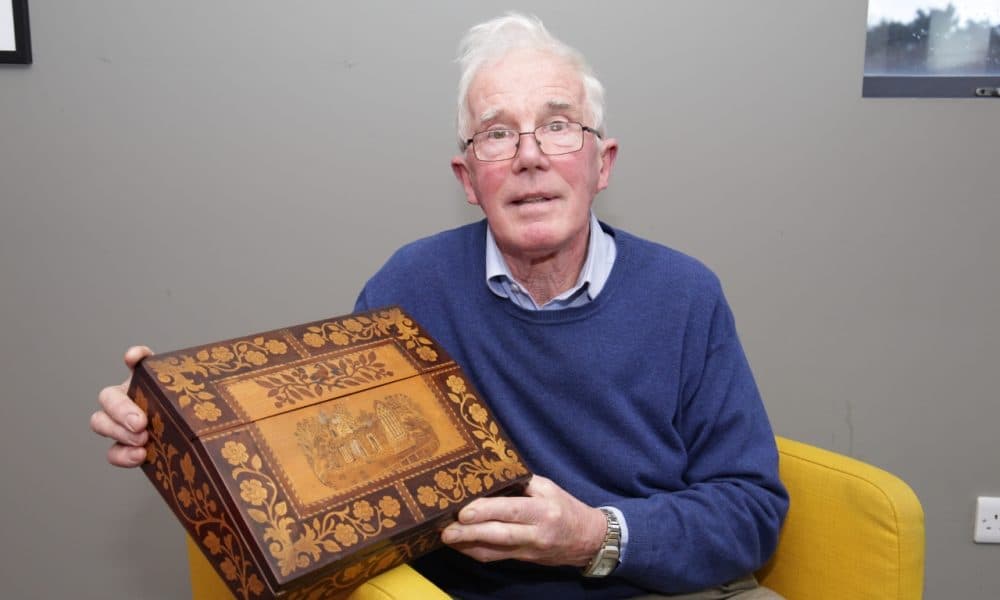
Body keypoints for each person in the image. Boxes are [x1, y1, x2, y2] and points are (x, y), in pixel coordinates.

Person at [91, 13, 788, 599]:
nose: (528, 156)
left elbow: (752, 511)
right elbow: (321, 448)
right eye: (496, 133)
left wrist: (591, 536)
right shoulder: (412, 285)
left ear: (601, 163)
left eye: (557, 126)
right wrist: (172, 421)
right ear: (468, 178)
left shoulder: (686, 294)